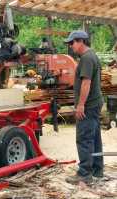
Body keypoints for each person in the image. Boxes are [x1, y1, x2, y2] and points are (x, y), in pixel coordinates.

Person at [64, 30, 104, 185]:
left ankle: (84, 174)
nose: (70, 46)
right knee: (94, 137)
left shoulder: (86, 58)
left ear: (81, 41)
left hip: (88, 105)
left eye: (71, 43)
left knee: (84, 138)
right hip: (95, 103)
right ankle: (97, 170)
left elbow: (86, 83)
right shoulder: (92, 55)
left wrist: (80, 105)